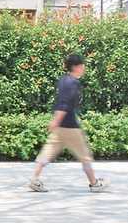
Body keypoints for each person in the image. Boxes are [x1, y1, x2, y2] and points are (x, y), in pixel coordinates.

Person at [29, 53, 109, 192]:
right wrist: (56, 120)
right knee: (85, 156)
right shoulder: (73, 83)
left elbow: (60, 102)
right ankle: (94, 184)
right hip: (70, 126)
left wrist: (55, 122)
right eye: (82, 65)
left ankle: (34, 180)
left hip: (60, 127)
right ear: (76, 67)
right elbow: (64, 104)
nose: (84, 68)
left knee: (47, 152)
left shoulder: (63, 80)